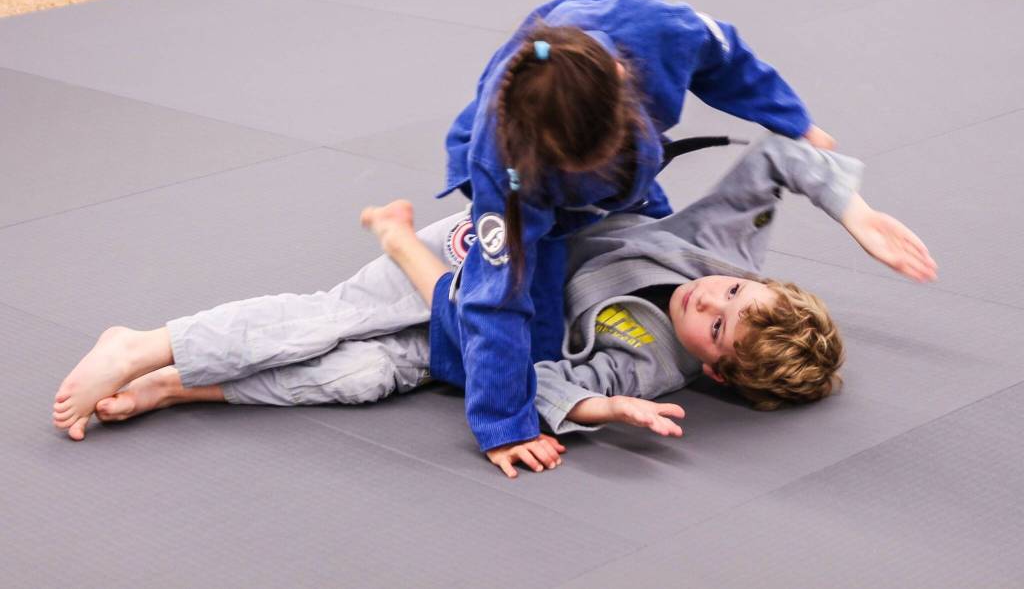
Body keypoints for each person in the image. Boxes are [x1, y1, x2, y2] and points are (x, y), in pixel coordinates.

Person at [52, 136, 936, 478]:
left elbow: (547, 382)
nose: (714, 295)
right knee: (335, 319)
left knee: (365, 379)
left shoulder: (649, 363)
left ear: (714, 365)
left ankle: (181, 387)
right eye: (738, 292)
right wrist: (853, 212)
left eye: (718, 321)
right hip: (489, 249)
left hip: (480, 341)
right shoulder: (721, 251)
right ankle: (145, 343)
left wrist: (600, 407)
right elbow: (781, 157)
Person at [435, 0, 838, 460]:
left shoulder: (659, 34)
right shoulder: (504, 174)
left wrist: (794, 120)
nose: (712, 299)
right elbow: (494, 300)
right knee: (530, 316)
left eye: (722, 319)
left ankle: (617, 183)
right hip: (525, 177)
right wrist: (506, 426)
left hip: (611, 125)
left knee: (638, 215)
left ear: (628, 85)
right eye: (727, 299)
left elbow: (726, 56)